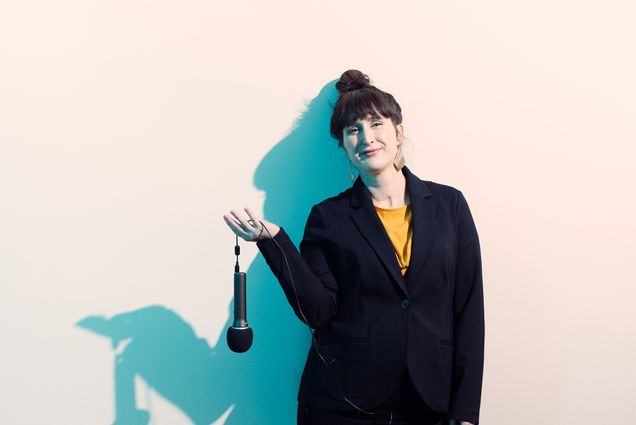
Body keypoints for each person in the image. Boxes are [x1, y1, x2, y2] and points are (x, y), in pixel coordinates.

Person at [223, 69, 484, 425]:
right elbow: (318, 312)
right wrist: (275, 241)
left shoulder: (449, 206)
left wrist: (466, 412)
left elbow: (469, 312)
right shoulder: (328, 217)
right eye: (353, 129)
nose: (367, 137)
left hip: (429, 404)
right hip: (342, 405)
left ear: (398, 131)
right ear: (344, 145)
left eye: (376, 124)